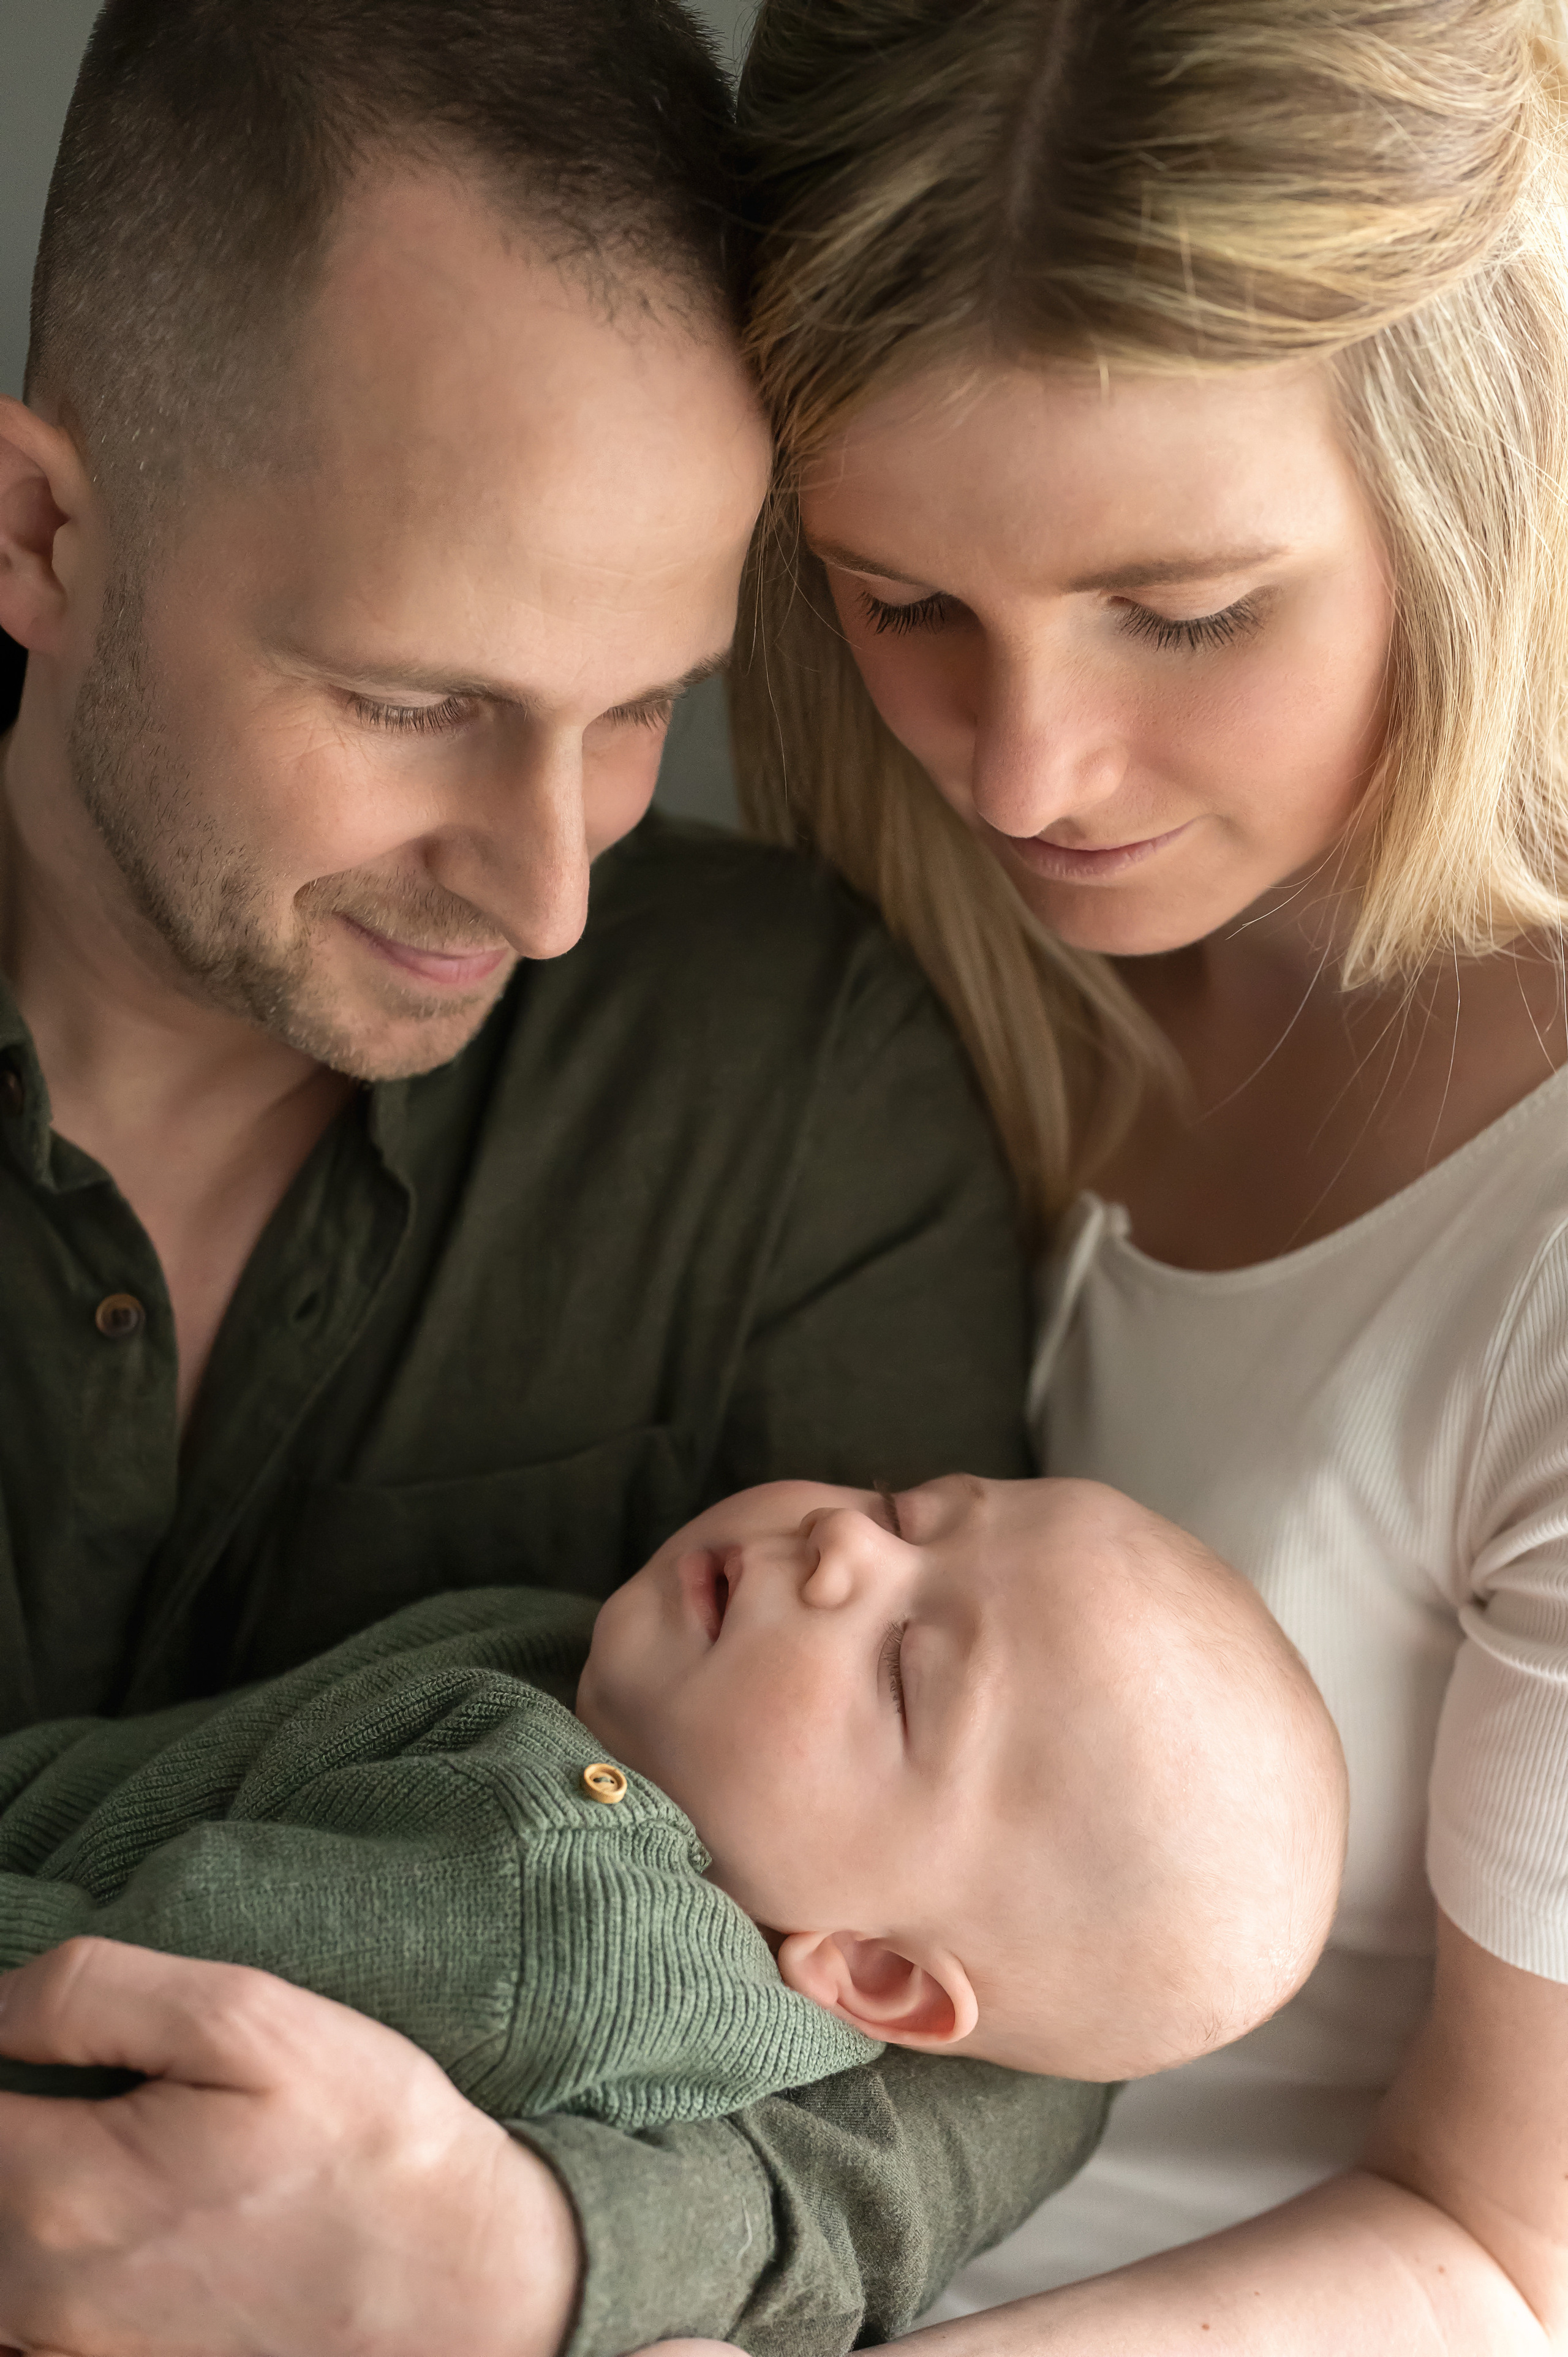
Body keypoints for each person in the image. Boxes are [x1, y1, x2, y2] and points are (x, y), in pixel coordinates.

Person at [0, 2, 1114, 2351]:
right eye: (417, 698)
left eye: (633, 711)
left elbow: (1010, 2011)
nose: (545, 883)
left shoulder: (779, 1076)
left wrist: (540, 2256)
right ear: (41, 527)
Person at [728, 0, 1568, 2348]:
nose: (1025, 767)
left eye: (1188, 613)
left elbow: (1516, 2251)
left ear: (1477, 478)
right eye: (901, 602)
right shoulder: (878, 969)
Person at [0, 1475, 1348, 2116]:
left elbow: (75, 1993)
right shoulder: (636, 1698)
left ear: (870, 1970)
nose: (844, 1545)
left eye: (900, 1671)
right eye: (908, 1506)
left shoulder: (529, 1922)